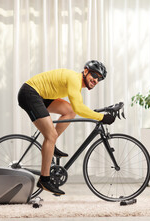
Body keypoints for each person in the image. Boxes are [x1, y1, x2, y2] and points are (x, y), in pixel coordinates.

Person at [17, 60, 115, 195]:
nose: (96, 80)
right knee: (50, 135)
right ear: (85, 71)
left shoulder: (76, 83)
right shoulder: (74, 79)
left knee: (69, 111)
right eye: (94, 75)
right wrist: (102, 117)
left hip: (41, 95)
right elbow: (80, 108)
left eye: (99, 79)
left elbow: (76, 108)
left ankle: (51, 143)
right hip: (30, 93)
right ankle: (44, 180)